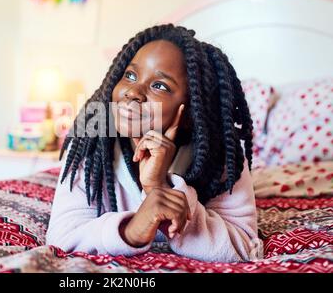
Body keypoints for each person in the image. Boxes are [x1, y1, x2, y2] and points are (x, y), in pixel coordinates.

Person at [46, 24, 262, 262]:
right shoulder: (91, 142)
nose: (133, 92)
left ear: (191, 112)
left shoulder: (221, 155)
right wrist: (131, 230)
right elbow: (61, 238)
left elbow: (244, 248)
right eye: (130, 75)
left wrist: (161, 186)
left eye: (160, 86)